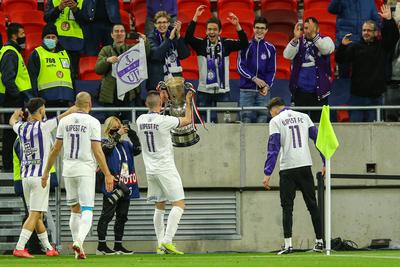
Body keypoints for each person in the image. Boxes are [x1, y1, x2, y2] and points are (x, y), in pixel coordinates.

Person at [41, 92, 114, 260]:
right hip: (85, 169)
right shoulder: (93, 122)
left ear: (75, 104)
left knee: (74, 209)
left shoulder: (65, 121)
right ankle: (79, 242)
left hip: (69, 169)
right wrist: (107, 174)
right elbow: (97, 150)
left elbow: (55, 149)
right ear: (90, 104)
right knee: (87, 209)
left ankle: (76, 249)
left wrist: (45, 172)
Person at [9, 97, 77, 258]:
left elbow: (12, 121)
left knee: (37, 214)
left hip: (25, 177)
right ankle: (19, 247)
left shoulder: (22, 128)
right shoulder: (44, 126)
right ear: (41, 110)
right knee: (34, 214)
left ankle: (48, 248)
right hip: (40, 177)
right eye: (44, 108)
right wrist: (75, 108)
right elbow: (63, 116)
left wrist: (16, 114)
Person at [262, 97, 325, 255]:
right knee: (312, 205)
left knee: (287, 208)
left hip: (288, 168)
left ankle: (288, 244)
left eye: (271, 113)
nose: (272, 116)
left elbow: (273, 148)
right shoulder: (305, 117)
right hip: (305, 166)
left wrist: (267, 173)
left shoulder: (276, 121)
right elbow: (318, 139)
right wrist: (325, 162)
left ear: (275, 110)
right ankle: (320, 242)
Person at [136, 90, 193, 254]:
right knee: (179, 204)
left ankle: (160, 244)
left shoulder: (140, 120)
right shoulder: (164, 121)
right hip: (165, 167)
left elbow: (156, 115)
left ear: (146, 104)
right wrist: (187, 101)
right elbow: (187, 120)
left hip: (150, 169)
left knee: (159, 206)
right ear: (160, 104)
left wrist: (163, 102)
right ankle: (168, 240)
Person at [336, 5, 399, 122]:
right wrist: (343, 46)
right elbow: (341, 60)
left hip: (375, 96)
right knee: (355, 129)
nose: (366, 33)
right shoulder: (355, 47)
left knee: (375, 131)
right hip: (357, 96)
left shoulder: (382, 47)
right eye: (364, 30)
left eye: (369, 30)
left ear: (376, 33)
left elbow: (393, 37)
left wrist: (389, 20)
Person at [185, 5, 248, 119]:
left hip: (223, 90)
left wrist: (237, 25)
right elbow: (188, 37)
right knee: (200, 122)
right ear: (206, 31)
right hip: (204, 90)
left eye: (214, 29)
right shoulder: (200, 44)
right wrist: (196, 17)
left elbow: (244, 43)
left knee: (226, 123)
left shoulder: (226, 44)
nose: (212, 32)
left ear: (220, 31)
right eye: (209, 29)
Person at [96, 116, 141, 255]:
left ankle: (118, 245)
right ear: (109, 129)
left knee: (122, 215)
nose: (118, 129)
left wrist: (132, 134)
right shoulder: (104, 142)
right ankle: (101, 246)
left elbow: (138, 149)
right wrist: (117, 134)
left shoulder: (126, 144)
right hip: (112, 183)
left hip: (126, 184)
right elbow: (106, 150)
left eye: (120, 126)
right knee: (107, 215)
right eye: (115, 128)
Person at [283, 18, 335, 122]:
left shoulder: (326, 40)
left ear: (318, 29)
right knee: (300, 126)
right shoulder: (298, 41)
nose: (308, 31)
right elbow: (287, 55)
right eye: (306, 28)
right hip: (300, 92)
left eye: (311, 28)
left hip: (320, 92)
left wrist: (314, 37)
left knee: (319, 126)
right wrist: (295, 38)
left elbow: (326, 50)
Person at [95, 24, 149, 120]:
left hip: (129, 95)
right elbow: (98, 69)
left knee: (129, 125)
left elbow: (145, 54)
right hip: (110, 96)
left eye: (122, 31)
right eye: (116, 31)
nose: (119, 33)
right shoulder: (106, 50)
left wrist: (145, 42)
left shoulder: (131, 49)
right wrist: (107, 60)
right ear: (112, 34)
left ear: (125, 34)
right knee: (112, 126)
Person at [0, 23, 33, 172]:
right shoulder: (10, 52)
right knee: (11, 133)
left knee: (11, 133)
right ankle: (9, 167)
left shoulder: (11, 51)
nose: (24, 36)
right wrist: (17, 96)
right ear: (14, 35)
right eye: (21, 33)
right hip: (12, 99)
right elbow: (8, 79)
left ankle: (10, 166)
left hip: (11, 98)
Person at [328, 0, 381, 78]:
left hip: (363, 45)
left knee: (363, 75)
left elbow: (376, 20)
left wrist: (375, 31)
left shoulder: (369, 1)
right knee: (343, 76)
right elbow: (331, 9)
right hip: (346, 44)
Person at [238, 16, 276, 123]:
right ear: (253, 29)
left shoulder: (270, 48)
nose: (259, 30)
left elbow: (271, 70)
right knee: (245, 120)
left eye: (262, 28)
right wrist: (254, 79)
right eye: (257, 28)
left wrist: (267, 86)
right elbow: (240, 66)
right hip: (246, 90)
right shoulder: (245, 45)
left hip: (263, 92)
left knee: (263, 120)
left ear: (266, 30)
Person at [28, 24, 74, 109]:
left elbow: (72, 76)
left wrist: (73, 98)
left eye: (53, 37)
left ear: (57, 39)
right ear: (43, 39)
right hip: (46, 101)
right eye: (48, 37)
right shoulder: (36, 54)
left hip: (66, 99)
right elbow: (32, 78)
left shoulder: (65, 54)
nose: (51, 40)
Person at [147, 11, 190, 91]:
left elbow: (184, 55)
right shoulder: (150, 38)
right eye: (159, 22)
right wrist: (169, 39)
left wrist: (178, 36)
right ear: (155, 24)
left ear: (168, 24)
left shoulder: (174, 34)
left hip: (175, 81)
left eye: (164, 22)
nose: (162, 25)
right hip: (158, 82)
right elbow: (157, 55)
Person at [44, 0, 86, 79]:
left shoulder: (82, 1)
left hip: (75, 42)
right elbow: (46, 18)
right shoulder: (53, 1)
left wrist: (75, 10)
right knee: (54, 70)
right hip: (55, 41)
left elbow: (86, 21)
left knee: (72, 73)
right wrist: (59, 8)